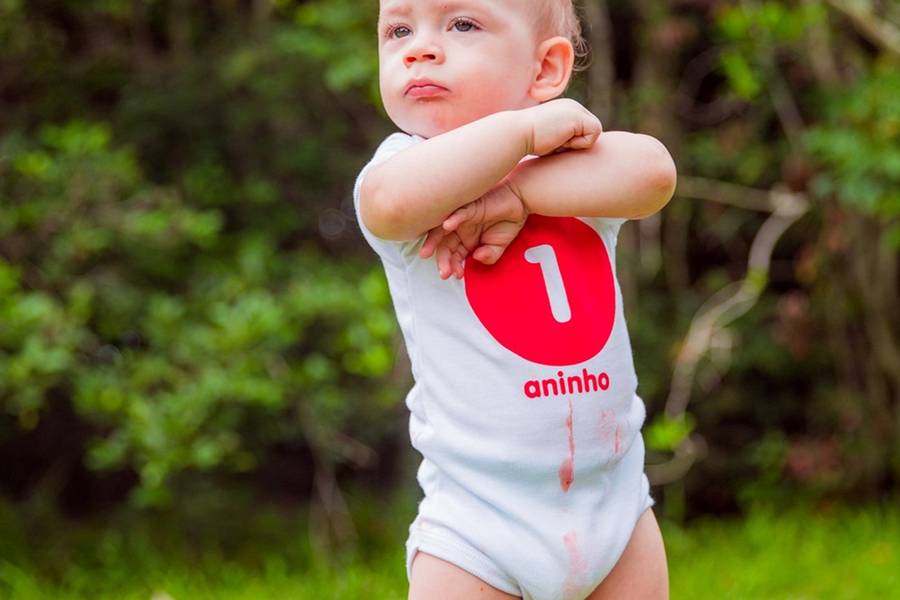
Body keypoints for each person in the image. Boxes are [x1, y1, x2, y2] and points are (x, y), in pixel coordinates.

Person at [352, 1, 676, 598]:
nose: (419, 47)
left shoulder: (569, 165)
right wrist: (520, 133)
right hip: (476, 528)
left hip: (614, 505)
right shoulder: (407, 168)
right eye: (398, 30)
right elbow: (389, 205)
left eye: (463, 24)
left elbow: (654, 172)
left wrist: (519, 190)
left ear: (545, 71)